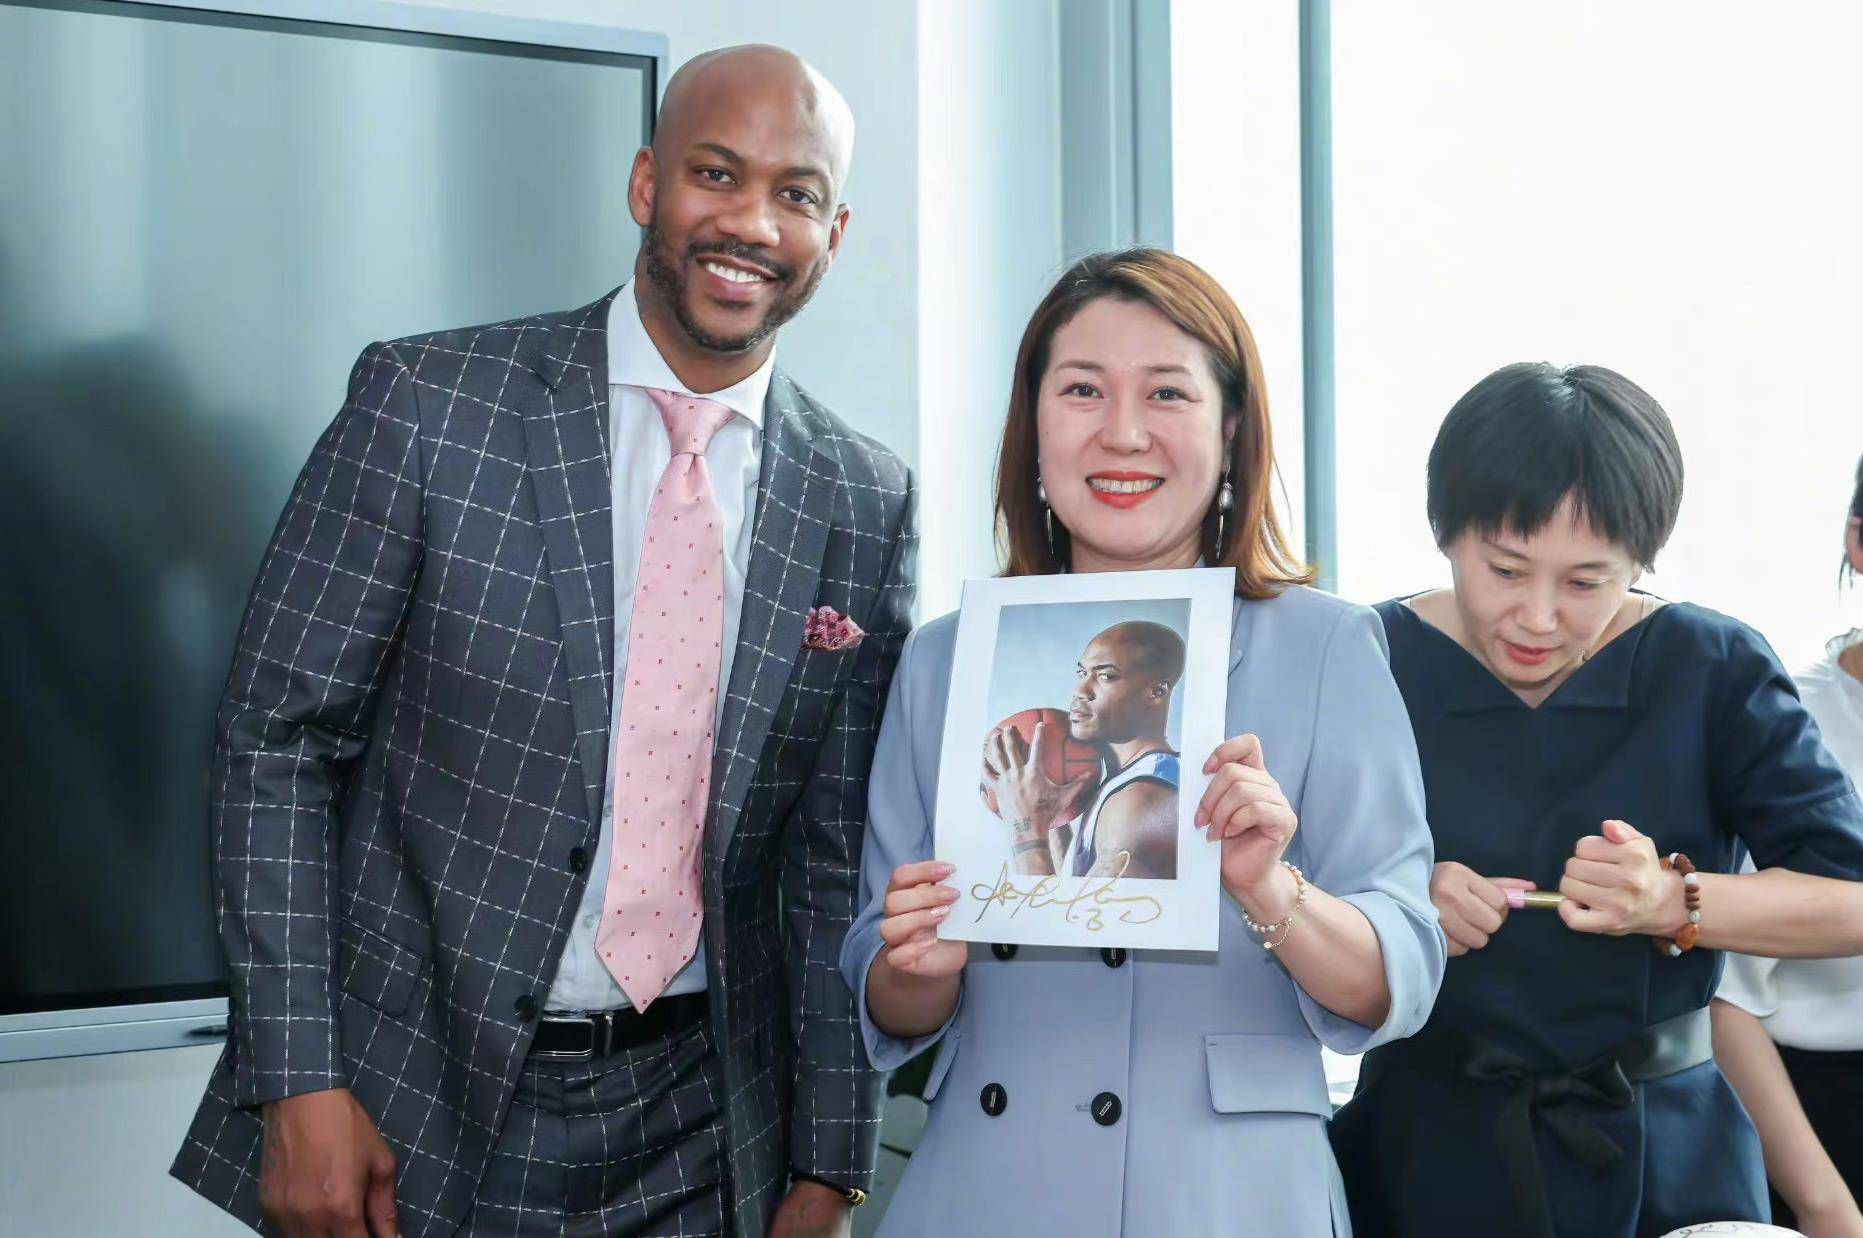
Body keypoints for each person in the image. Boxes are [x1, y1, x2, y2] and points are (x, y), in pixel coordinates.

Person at [171, 45, 916, 1238]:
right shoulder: (429, 404)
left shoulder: (863, 501)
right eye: (715, 174)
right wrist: (297, 1077)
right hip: (413, 1105)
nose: (750, 223)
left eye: (796, 193)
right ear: (645, 185)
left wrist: (831, 1163)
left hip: (704, 1128)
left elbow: (827, 854)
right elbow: (278, 744)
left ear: (835, 231)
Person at [840, 248, 1445, 1236]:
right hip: (990, 1185)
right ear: (1033, 423)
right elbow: (885, 984)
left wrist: (1268, 884)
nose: (1123, 432)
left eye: (1167, 392)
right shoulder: (951, 659)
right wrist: (917, 958)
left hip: (1228, 1194)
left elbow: (1401, 971)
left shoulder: (1326, 644)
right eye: (1081, 389)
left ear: (1231, 426)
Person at [1329, 363, 1863, 1238]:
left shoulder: (1709, 666)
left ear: (1640, 562)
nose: (1538, 617)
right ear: (1444, 531)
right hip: (1419, 1148)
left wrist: (1672, 902)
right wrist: (1392, 906)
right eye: (1504, 570)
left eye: (1585, 582)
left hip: (1667, 1149)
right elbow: (1280, 888)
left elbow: (1847, 902)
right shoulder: (1366, 659)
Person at [1713, 454, 1863, 1238]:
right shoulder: (1786, 719)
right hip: (1808, 1124)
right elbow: (1725, 995)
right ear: (1858, 543)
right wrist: (1825, 1206)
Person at [984, 620, 1185, 879]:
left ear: (1157, 691)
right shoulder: (1130, 778)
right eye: (1082, 674)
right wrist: (1052, 817)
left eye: (1106, 676)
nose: (1080, 691)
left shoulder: (1137, 805)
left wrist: (1025, 825)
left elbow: (1076, 918)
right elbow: (1076, 888)